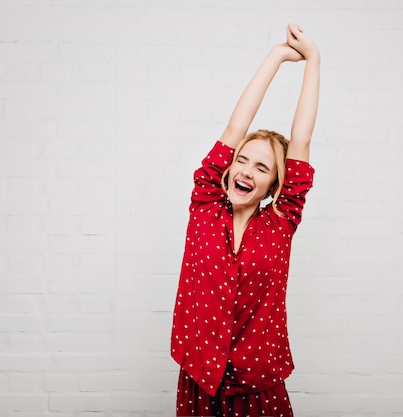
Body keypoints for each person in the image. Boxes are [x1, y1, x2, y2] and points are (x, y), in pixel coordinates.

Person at [171, 23, 320, 417]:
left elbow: (301, 141)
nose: (247, 171)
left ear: (275, 184)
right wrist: (275, 57)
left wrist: (313, 62)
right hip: (201, 377)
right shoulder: (204, 204)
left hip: (257, 381)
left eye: (262, 167)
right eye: (242, 160)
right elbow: (235, 127)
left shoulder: (281, 223)